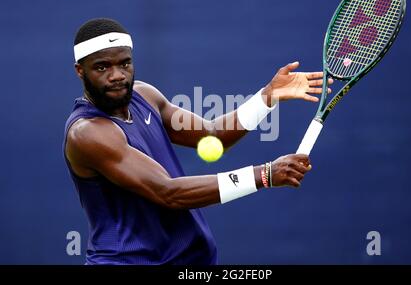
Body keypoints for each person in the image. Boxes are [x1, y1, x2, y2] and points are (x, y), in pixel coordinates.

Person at [63, 18, 332, 265]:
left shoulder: (145, 95)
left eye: (124, 63)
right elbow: (168, 192)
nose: (117, 75)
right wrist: (264, 175)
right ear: (80, 71)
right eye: (102, 67)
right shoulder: (88, 133)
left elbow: (212, 134)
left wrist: (267, 97)